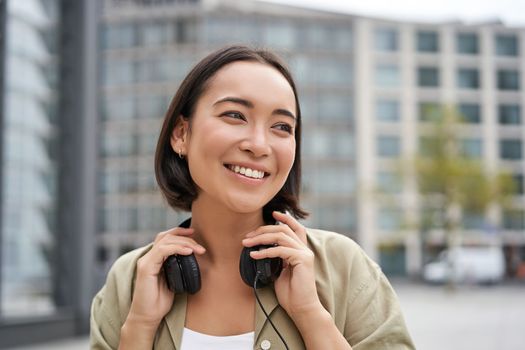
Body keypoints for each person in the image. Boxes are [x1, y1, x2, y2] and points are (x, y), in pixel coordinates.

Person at [90, 45, 415, 350]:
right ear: (181, 134)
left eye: (282, 127)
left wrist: (310, 314)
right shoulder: (130, 279)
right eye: (235, 115)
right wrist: (140, 326)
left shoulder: (343, 267)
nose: (259, 145)